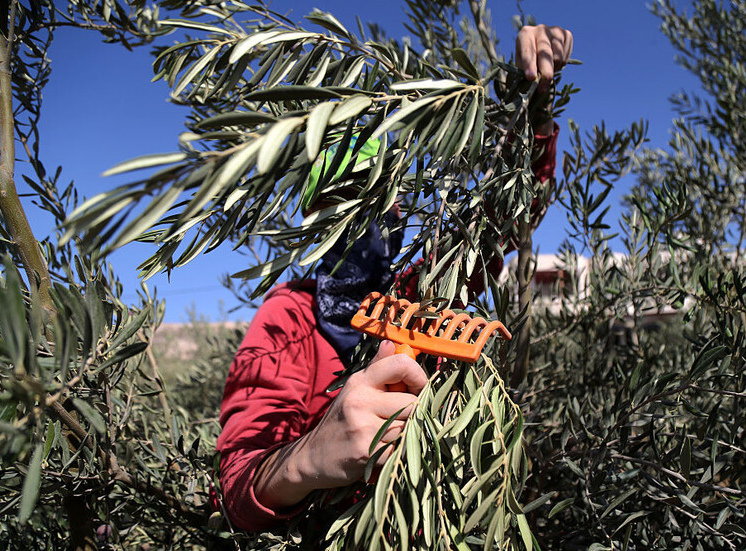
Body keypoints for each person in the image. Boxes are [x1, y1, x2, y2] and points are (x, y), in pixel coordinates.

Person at [216, 23, 574, 532]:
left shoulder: (412, 297)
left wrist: (531, 105)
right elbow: (235, 485)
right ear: (318, 215)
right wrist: (306, 459)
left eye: (387, 205)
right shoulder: (289, 316)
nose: (373, 220)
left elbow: (505, 219)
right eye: (350, 199)